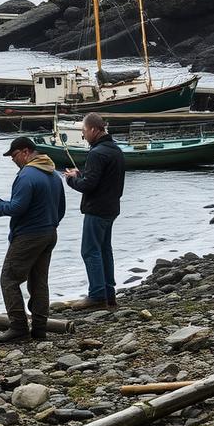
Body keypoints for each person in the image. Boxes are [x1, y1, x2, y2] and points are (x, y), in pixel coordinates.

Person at [0, 136, 65, 342]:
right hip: (49, 233)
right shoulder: (53, 174)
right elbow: (60, 209)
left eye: (14, 155)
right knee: (38, 282)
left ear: (26, 152)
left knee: (9, 279)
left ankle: (18, 328)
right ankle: (39, 329)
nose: (13, 160)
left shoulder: (27, 175)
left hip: (28, 236)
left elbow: (17, 208)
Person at [64, 113, 126, 310]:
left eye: (83, 131)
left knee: (90, 251)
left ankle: (97, 295)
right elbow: (99, 179)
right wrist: (80, 174)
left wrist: (71, 179)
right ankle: (109, 293)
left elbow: (88, 186)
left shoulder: (97, 153)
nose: (83, 135)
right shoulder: (115, 150)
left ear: (93, 130)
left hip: (97, 210)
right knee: (104, 250)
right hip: (111, 208)